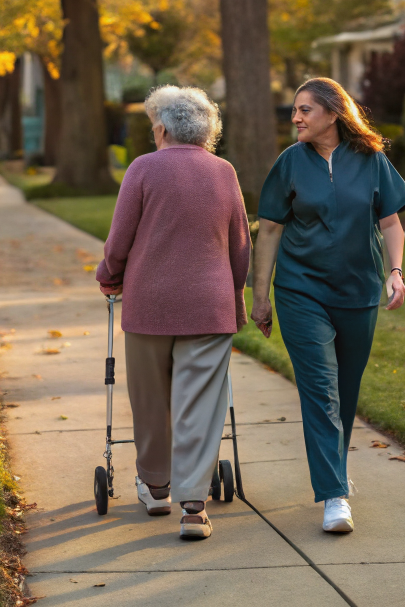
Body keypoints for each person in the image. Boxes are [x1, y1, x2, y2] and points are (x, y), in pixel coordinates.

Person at [250, 77, 405, 534]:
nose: (296, 118)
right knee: (321, 390)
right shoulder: (289, 163)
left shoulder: (371, 160)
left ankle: (335, 475)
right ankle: (334, 495)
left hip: (358, 292)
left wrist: (395, 272)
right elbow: (270, 230)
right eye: (295, 112)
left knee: (345, 390)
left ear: (333, 113)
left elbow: (392, 222)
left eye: (305, 110)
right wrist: (260, 297)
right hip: (302, 291)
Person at [96, 85, 250, 540]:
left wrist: (109, 273)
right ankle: (194, 507)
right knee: (200, 404)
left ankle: (157, 486)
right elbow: (240, 246)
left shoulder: (143, 169)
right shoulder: (224, 172)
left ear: (162, 128)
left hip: (150, 306)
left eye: (151, 125)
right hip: (210, 306)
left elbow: (120, 239)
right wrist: (235, 293)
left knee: (150, 401)